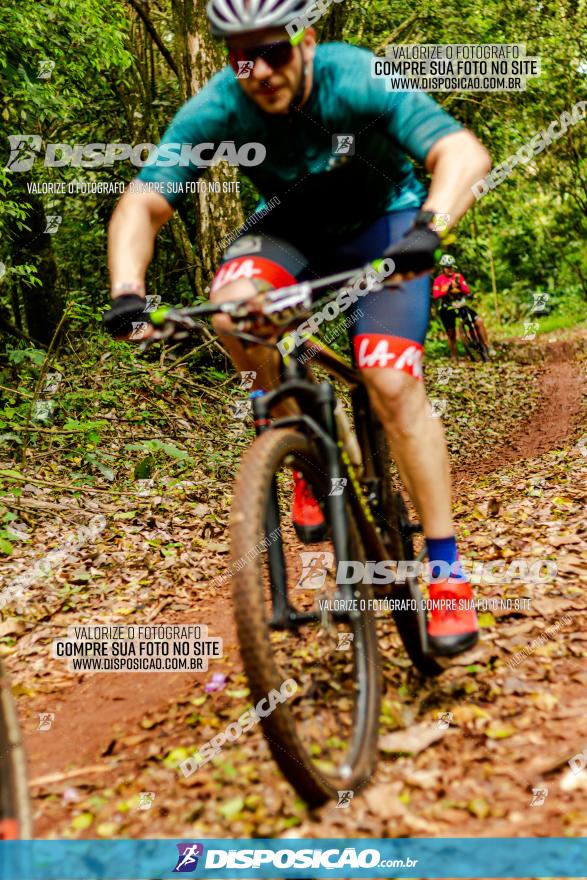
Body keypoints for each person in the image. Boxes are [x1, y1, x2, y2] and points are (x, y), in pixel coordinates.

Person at [104, 0, 492, 656]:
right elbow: (143, 203)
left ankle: (447, 575)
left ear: (305, 40)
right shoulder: (217, 109)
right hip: (288, 233)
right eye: (241, 58)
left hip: (387, 224)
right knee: (230, 308)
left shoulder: (356, 77)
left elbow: (460, 152)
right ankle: (298, 452)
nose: (259, 71)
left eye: (274, 52)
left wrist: (430, 228)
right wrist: (126, 292)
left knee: (390, 382)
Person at [433, 255, 494, 358]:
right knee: (451, 334)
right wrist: (447, 288)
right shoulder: (438, 280)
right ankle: (454, 357)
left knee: (479, 321)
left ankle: (487, 346)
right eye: (447, 267)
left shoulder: (458, 277)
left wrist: (460, 286)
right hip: (447, 307)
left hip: (461, 305)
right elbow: (435, 295)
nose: (450, 269)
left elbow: (466, 290)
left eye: (451, 266)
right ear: (443, 268)